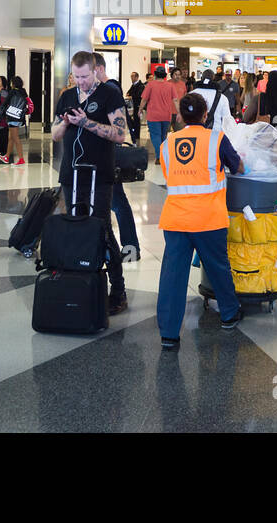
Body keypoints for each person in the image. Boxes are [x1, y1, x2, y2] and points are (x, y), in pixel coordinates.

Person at [157, 93, 246, 349]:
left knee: (173, 277)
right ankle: (229, 315)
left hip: (175, 221)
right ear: (205, 115)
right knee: (218, 268)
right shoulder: (216, 139)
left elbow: (170, 174)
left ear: (181, 117)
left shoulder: (167, 143)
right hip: (209, 219)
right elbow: (237, 166)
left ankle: (169, 334)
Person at [52, 51, 129, 315]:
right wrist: (64, 124)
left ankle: (117, 290)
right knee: (73, 227)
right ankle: (76, 283)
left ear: (96, 70)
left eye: (85, 76)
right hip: (71, 173)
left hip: (100, 174)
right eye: (76, 76)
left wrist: (86, 123)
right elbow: (54, 135)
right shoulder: (67, 96)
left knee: (102, 228)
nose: (81, 81)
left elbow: (120, 134)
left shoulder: (109, 94)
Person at [93, 53, 140, 262]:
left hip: (108, 154)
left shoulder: (110, 90)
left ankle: (130, 247)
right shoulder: (103, 90)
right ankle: (128, 246)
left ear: (100, 69)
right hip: (101, 154)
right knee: (114, 201)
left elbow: (116, 129)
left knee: (117, 202)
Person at [140, 66, 176, 162]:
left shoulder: (150, 85)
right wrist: (179, 112)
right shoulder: (170, 85)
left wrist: (139, 109)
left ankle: (159, 156)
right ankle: (163, 155)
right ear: (164, 75)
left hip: (153, 115)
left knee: (155, 135)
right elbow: (175, 100)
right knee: (163, 135)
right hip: (166, 115)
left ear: (155, 74)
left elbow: (144, 99)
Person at [188, 68, 237, 137]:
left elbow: (186, 115)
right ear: (213, 78)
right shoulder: (222, 98)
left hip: (193, 134)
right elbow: (227, 120)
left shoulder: (190, 95)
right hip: (215, 134)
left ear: (201, 78)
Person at [3, 75, 29, 165]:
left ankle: (21, 159)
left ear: (13, 84)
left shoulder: (13, 92)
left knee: (15, 138)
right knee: (11, 137)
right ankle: (6, 156)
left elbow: (5, 102)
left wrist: (0, 114)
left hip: (12, 116)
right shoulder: (23, 92)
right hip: (19, 117)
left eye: (11, 82)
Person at [126, 71, 146, 145]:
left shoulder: (140, 85)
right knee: (133, 119)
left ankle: (137, 135)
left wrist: (132, 96)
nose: (132, 78)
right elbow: (128, 93)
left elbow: (138, 95)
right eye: (131, 76)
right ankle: (135, 133)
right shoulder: (133, 85)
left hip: (138, 106)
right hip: (134, 105)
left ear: (137, 77)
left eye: (133, 76)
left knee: (137, 121)